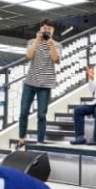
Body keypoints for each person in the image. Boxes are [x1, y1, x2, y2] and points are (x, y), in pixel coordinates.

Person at [18, 19, 62, 148]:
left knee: (41, 114)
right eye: (45, 28)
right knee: (23, 112)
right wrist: (38, 39)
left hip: (46, 84)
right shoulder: (32, 42)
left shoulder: (57, 45)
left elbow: (55, 59)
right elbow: (29, 56)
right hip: (30, 82)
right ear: (40, 28)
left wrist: (51, 44)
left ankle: (40, 141)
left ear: (53, 30)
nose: (47, 30)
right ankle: (21, 139)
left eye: (50, 28)